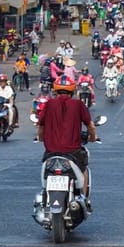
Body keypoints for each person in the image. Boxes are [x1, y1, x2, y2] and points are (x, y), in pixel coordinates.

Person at [36, 75, 97, 204]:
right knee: (84, 168)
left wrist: (41, 138)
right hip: (73, 152)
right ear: (72, 90)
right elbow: (90, 125)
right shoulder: (78, 104)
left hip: (51, 152)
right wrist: (93, 137)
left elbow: (41, 126)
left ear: (55, 90)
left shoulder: (49, 104)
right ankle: (84, 199)